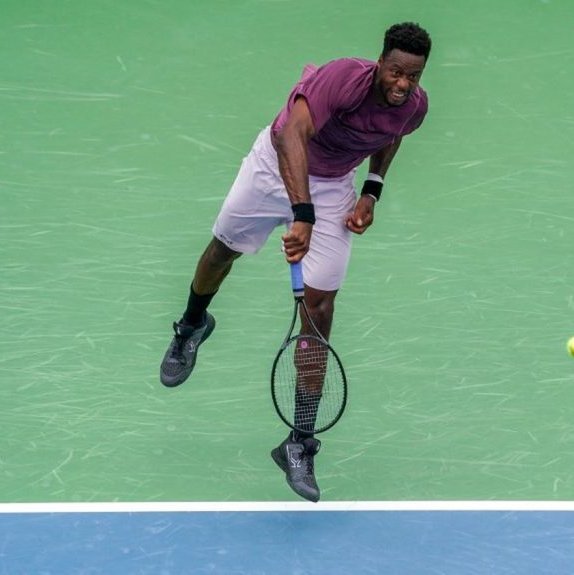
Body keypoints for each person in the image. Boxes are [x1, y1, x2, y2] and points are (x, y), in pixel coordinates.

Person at [159, 22, 431, 502]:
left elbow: (394, 133)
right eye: (395, 73)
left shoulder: (413, 107)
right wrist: (300, 213)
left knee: (321, 309)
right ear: (380, 62)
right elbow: (291, 139)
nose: (402, 85)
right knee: (223, 249)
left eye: (413, 76)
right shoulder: (341, 79)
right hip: (274, 164)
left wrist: (372, 189)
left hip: (331, 186)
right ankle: (191, 326)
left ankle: (299, 441)